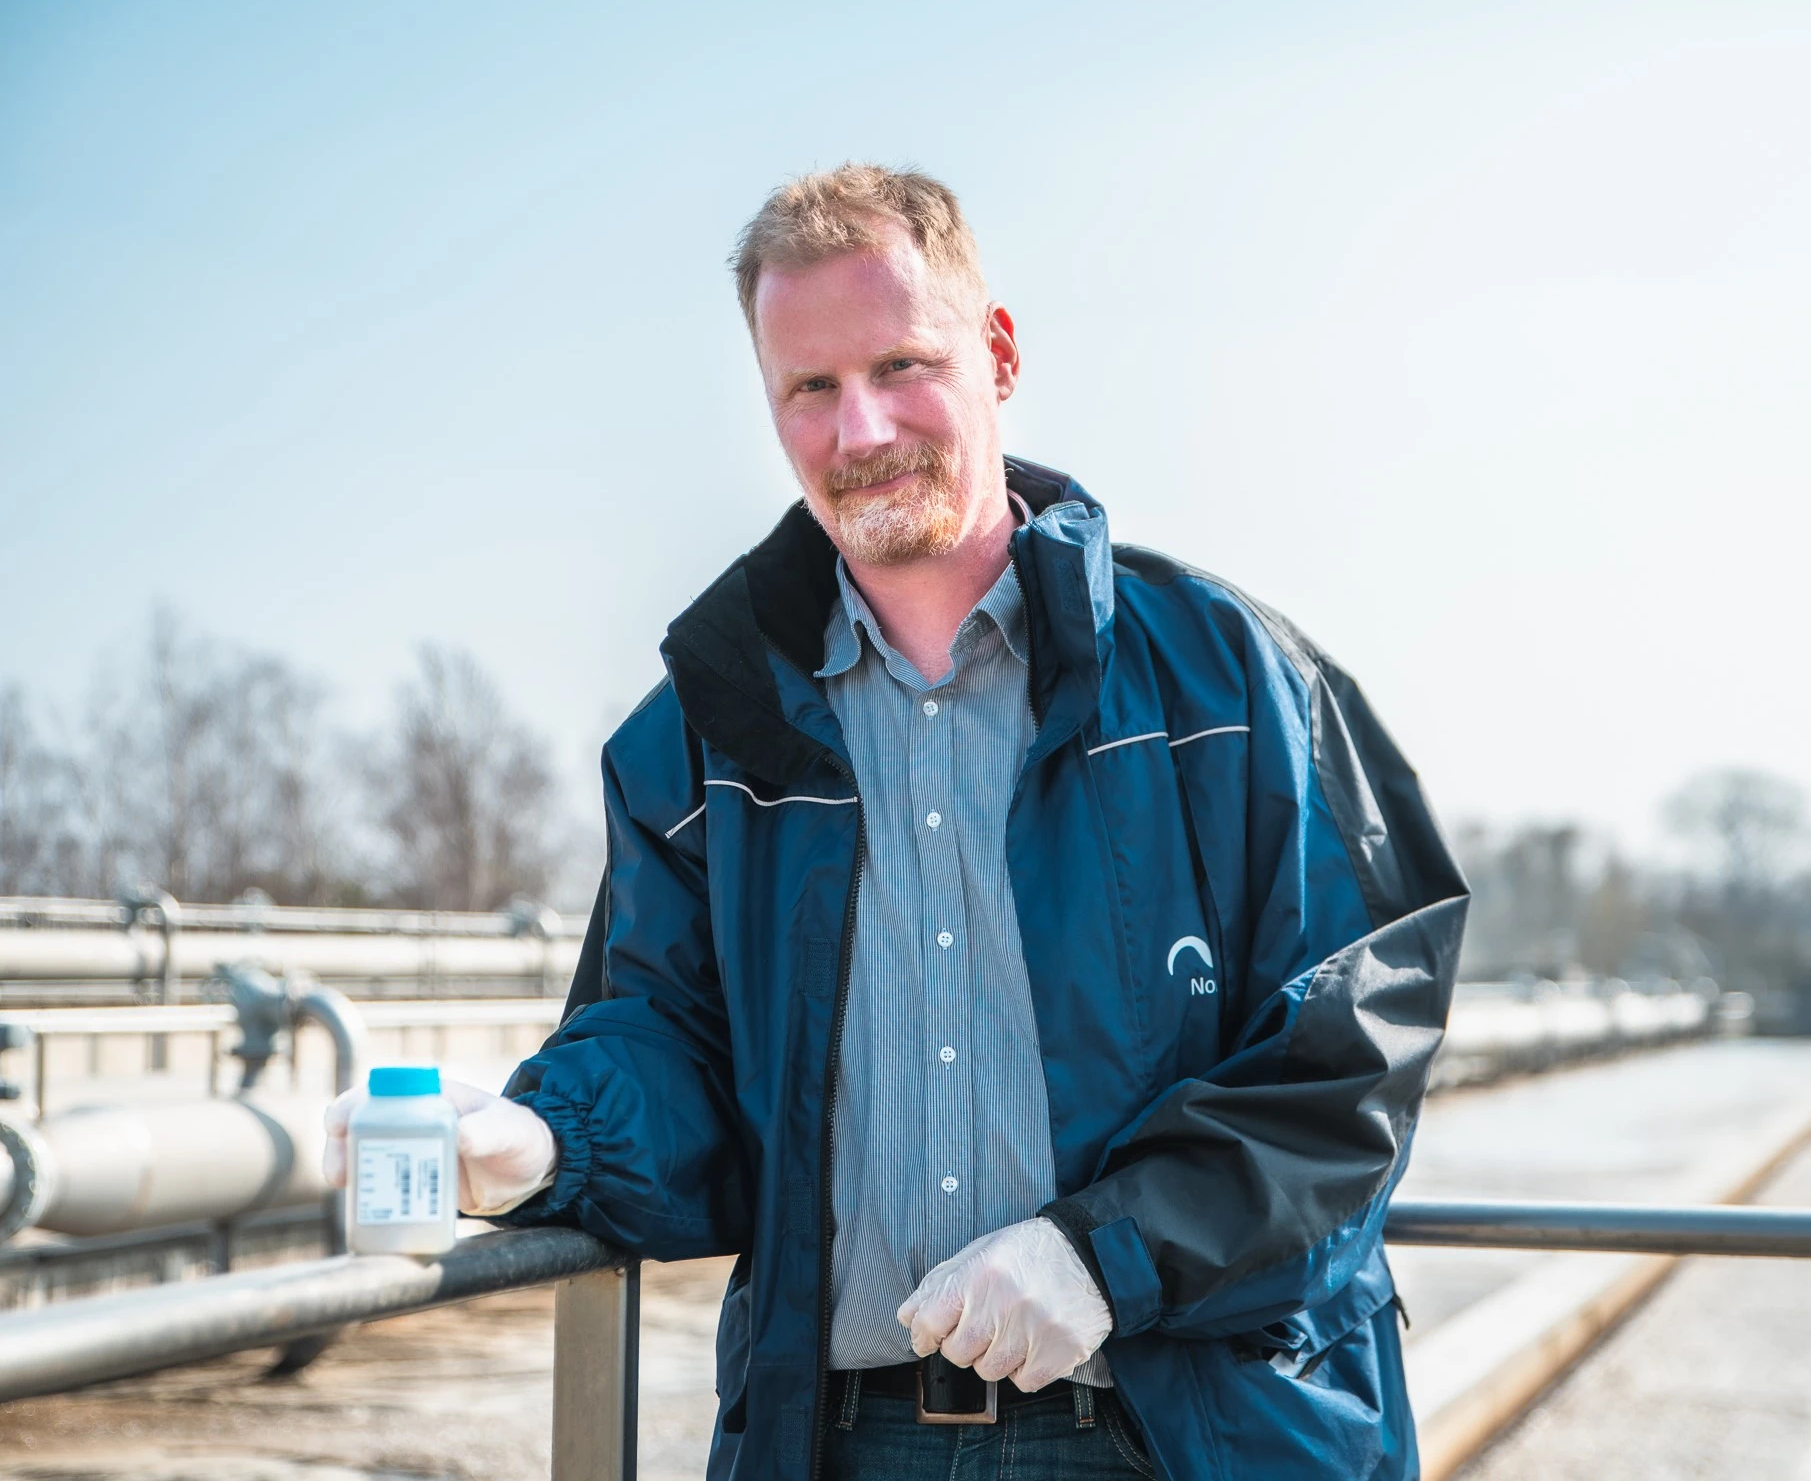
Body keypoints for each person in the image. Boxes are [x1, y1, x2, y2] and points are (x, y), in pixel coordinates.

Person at [326, 163, 1468, 1481]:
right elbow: (678, 1045)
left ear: (999, 355)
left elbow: (1355, 1048)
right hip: (844, 1441)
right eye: (810, 387)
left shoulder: (1230, 683)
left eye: (901, 366)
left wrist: (1105, 1253)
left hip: (1190, 1430)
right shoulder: (700, 735)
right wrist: (546, 1139)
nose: (859, 427)